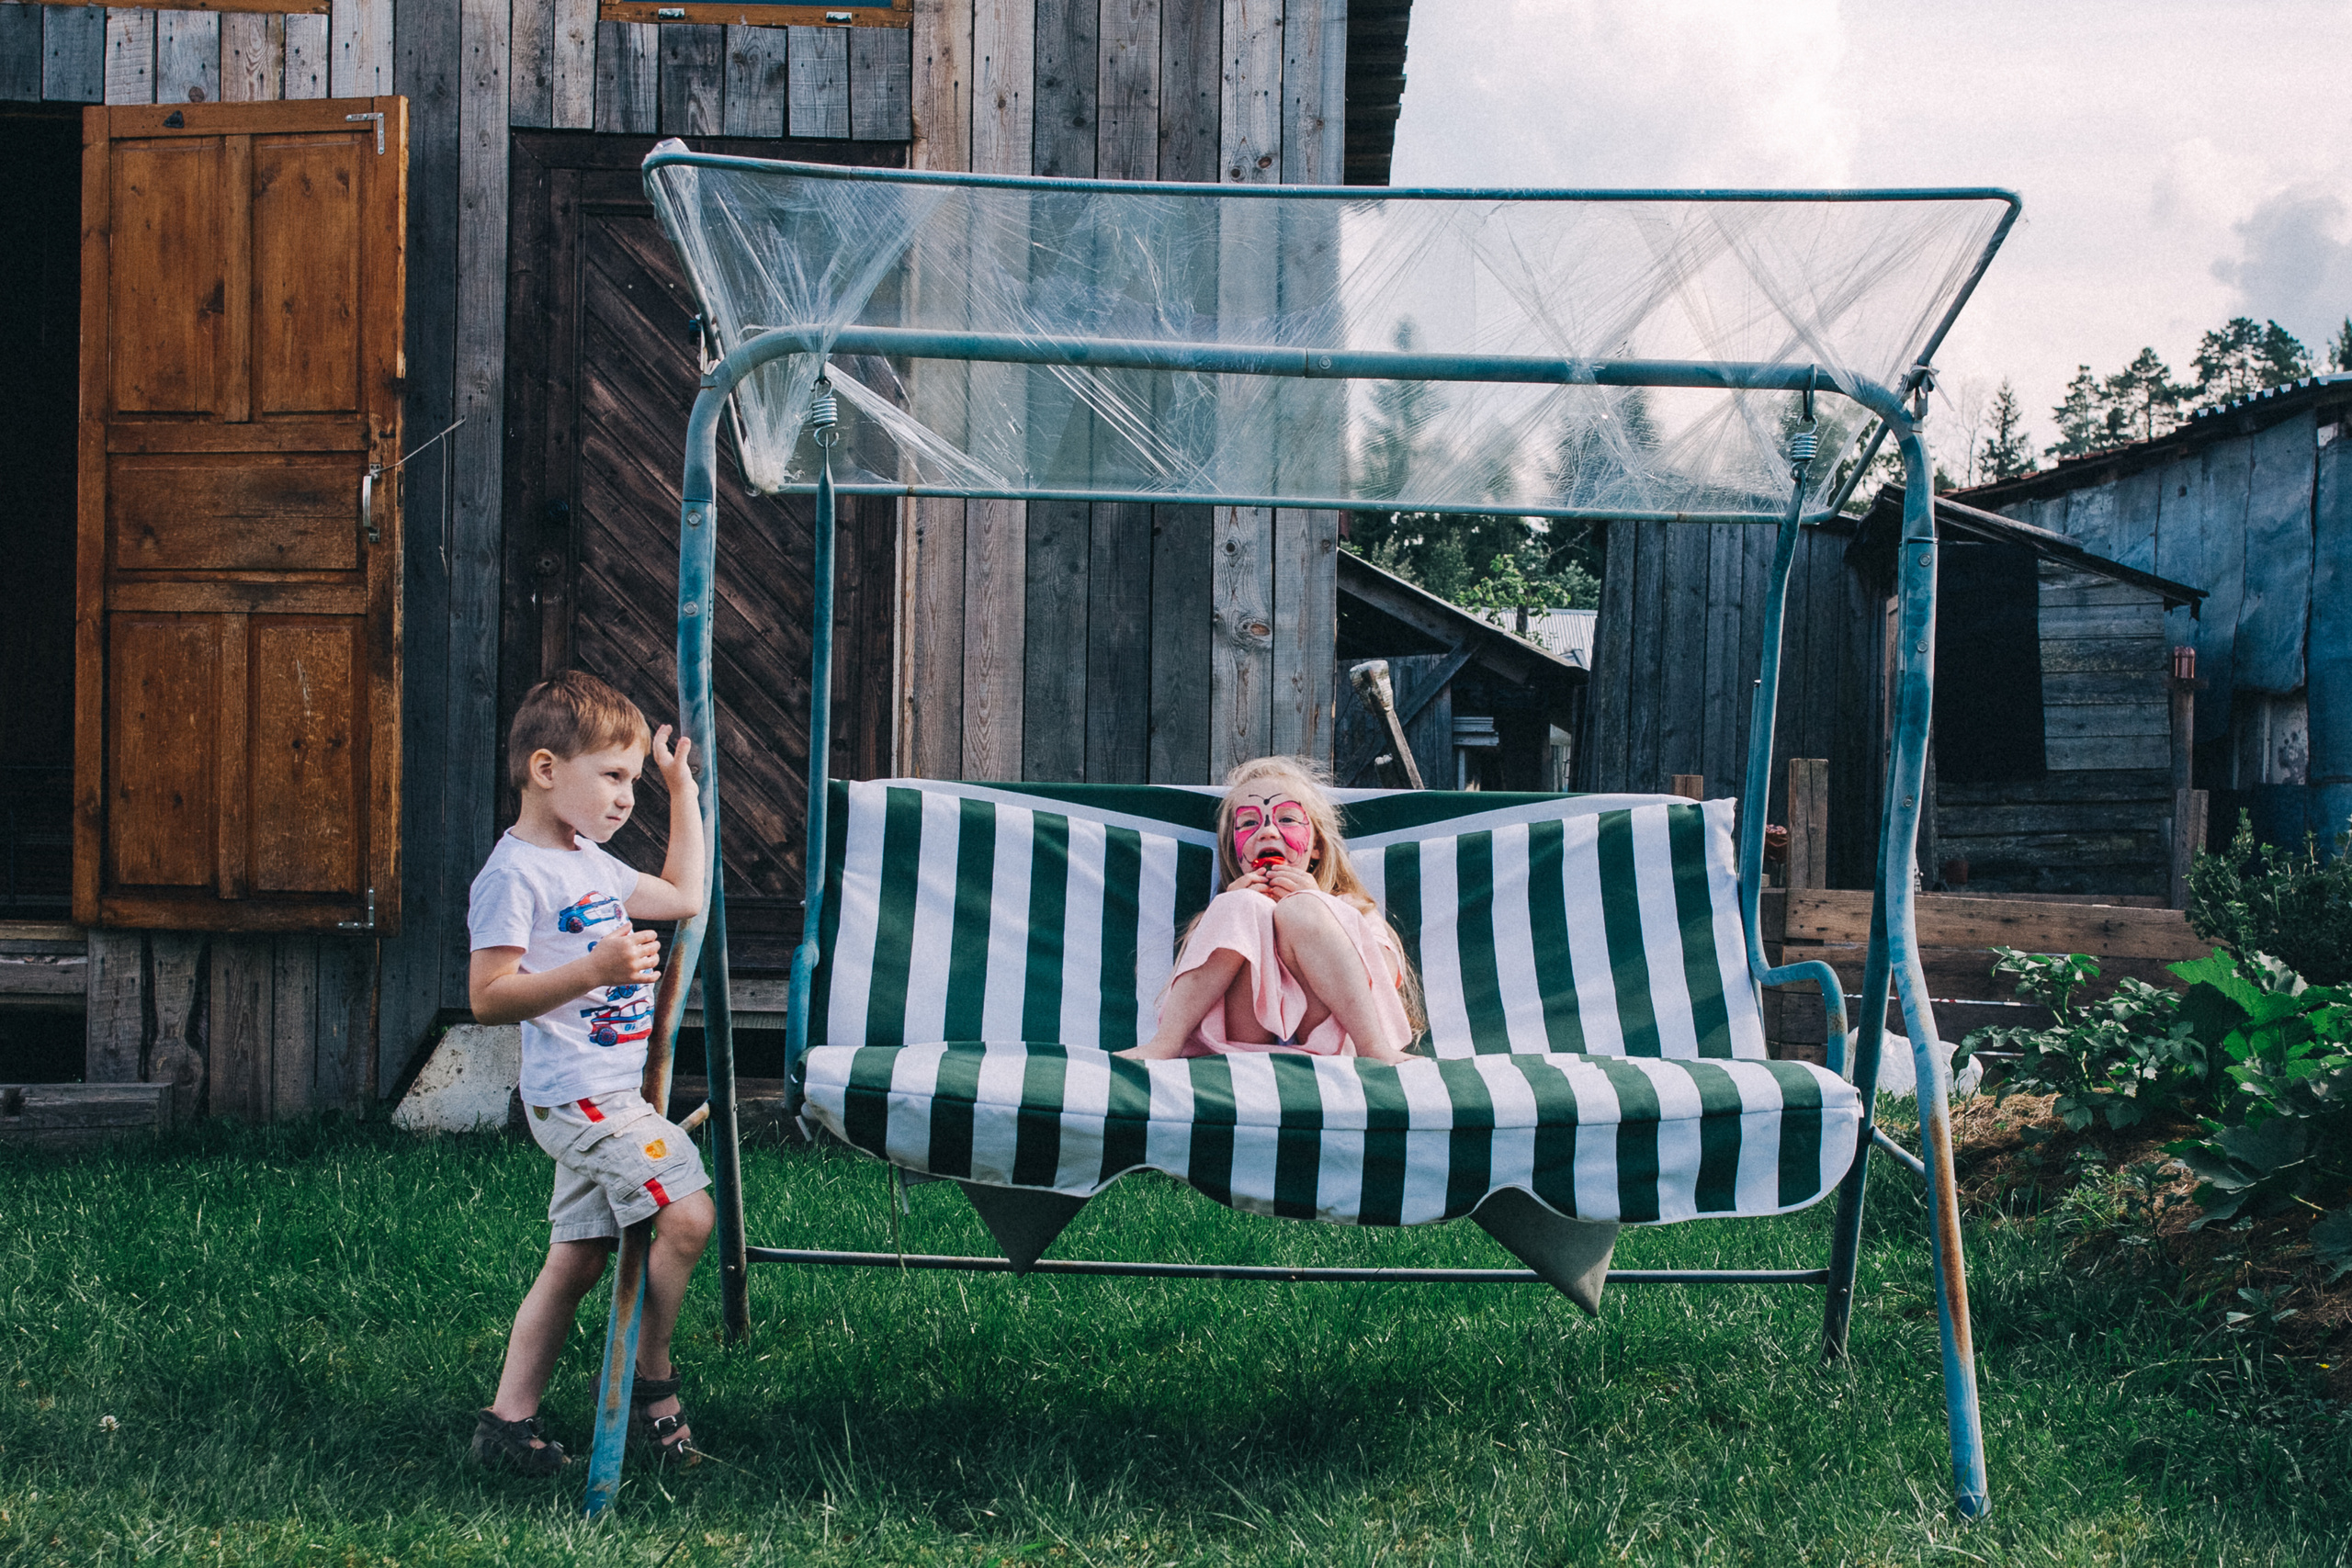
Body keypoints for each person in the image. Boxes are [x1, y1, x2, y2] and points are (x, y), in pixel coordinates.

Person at [464, 671, 714, 1474]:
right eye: (612, 776)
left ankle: (507, 1423)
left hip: (608, 1096)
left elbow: (682, 894)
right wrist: (595, 969)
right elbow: (489, 998)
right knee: (687, 1217)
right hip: (580, 1101)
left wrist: (681, 790)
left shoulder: (596, 865)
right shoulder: (514, 876)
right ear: (545, 769)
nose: (624, 799)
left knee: (576, 1258)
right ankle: (652, 1379)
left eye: (632, 782)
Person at [1120, 757, 1424, 1064]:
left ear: (1316, 846)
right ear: (1234, 850)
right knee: (1242, 906)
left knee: (1302, 909)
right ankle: (1165, 1044)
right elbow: (1192, 983)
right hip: (1240, 1044)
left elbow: (1384, 976)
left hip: (1333, 1042)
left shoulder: (1351, 908)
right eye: (1249, 822)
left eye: (1288, 819)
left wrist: (1322, 907)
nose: (1267, 831)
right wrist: (1222, 912)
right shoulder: (1226, 909)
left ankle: (1374, 1047)